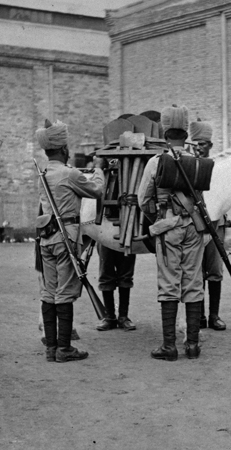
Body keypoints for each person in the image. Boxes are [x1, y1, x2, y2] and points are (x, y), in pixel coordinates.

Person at [138, 105, 205, 361]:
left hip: (168, 228)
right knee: (193, 283)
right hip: (194, 227)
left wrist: (159, 218)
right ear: (186, 134)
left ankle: (169, 346)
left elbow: (143, 200)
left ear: (165, 132)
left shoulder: (155, 162)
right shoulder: (198, 161)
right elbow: (200, 198)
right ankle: (193, 345)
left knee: (169, 283)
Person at [35, 119, 105, 363]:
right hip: (66, 237)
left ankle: (51, 348)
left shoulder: (43, 174)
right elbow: (96, 191)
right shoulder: (69, 173)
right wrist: (99, 172)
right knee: (65, 292)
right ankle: (64, 349)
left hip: (47, 239)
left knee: (48, 292)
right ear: (64, 149)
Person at [95, 113, 138, 332]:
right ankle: (109, 316)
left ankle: (123, 316)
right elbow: (104, 168)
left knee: (125, 272)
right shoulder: (105, 163)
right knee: (105, 271)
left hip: (128, 221)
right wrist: (103, 163)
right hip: (104, 223)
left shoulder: (135, 164)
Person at [188, 119, 228, 331]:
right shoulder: (187, 166)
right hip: (194, 224)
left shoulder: (217, 167)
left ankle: (214, 316)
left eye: (202, 144)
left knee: (214, 269)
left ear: (210, 146)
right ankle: (199, 317)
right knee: (196, 271)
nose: (199, 148)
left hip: (216, 223)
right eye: (195, 144)